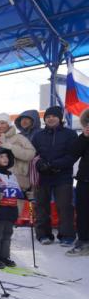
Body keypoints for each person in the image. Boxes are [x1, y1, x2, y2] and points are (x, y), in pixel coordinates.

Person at [31, 106, 78, 246]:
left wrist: (54, 164)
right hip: (43, 176)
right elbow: (33, 154)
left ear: (60, 118)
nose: (51, 118)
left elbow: (72, 155)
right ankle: (43, 234)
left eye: (54, 116)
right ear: (44, 119)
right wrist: (40, 164)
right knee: (41, 206)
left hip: (62, 176)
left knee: (64, 206)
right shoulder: (38, 135)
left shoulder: (70, 134)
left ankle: (67, 235)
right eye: (48, 116)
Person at [0, 113, 36, 194]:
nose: (0, 126)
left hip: (17, 181)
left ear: (8, 124)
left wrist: (11, 147)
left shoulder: (19, 138)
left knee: (16, 205)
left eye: (3, 123)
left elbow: (31, 154)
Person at [67, 108, 89, 256]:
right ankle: (83, 241)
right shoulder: (84, 137)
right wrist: (84, 137)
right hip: (84, 180)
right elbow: (73, 153)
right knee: (83, 212)